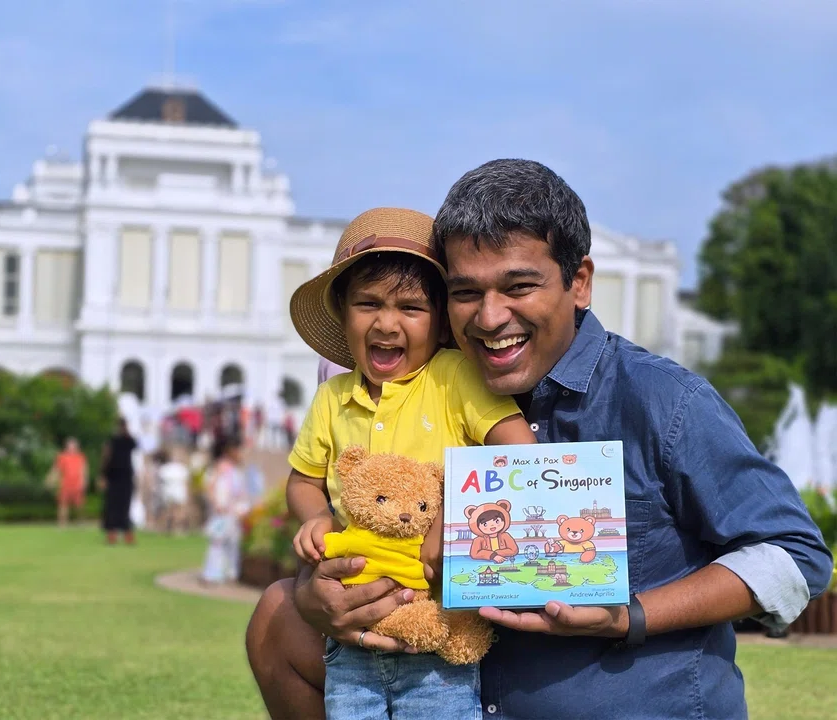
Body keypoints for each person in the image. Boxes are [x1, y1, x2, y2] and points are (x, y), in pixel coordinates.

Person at [245, 161, 835, 720]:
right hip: (459, 686)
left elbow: (796, 556)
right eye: (466, 292)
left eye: (519, 286)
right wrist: (318, 593)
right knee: (277, 613)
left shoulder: (661, 400)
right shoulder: (434, 388)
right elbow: (342, 517)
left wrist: (630, 615)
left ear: (579, 282)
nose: (490, 317)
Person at [276, 207, 538, 719]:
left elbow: (519, 450)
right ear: (342, 313)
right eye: (367, 303)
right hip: (352, 631)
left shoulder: (452, 375)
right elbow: (303, 480)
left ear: (441, 320)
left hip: (439, 629)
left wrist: (453, 523)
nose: (386, 323)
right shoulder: (333, 396)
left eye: (411, 308)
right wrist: (316, 516)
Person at [202, 435, 251, 583]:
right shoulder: (220, 468)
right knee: (217, 542)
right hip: (221, 512)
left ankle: (230, 572)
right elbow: (210, 487)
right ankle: (212, 574)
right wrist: (217, 503)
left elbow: (241, 491)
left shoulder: (236, 470)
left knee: (233, 543)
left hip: (233, 512)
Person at [99, 417, 138, 545]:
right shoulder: (112, 441)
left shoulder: (128, 441)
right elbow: (106, 457)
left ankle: (127, 533)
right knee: (112, 506)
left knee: (124, 506)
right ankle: (112, 534)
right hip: (114, 477)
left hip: (125, 477)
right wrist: (103, 475)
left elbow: (134, 445)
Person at [54, 437, 87, 527]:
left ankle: (80, 522)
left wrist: (84, 481)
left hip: (77, 484)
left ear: (77, 446)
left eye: (73, 445)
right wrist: (54, 480)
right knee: (63, 504)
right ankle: (62, 523)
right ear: (66, 446)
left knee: (79, 506)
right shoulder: (62, 456)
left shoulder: (81, 456)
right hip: (65, 484)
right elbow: (57, 469)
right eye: (70, 445)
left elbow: (83, 470)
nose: (72, 447)